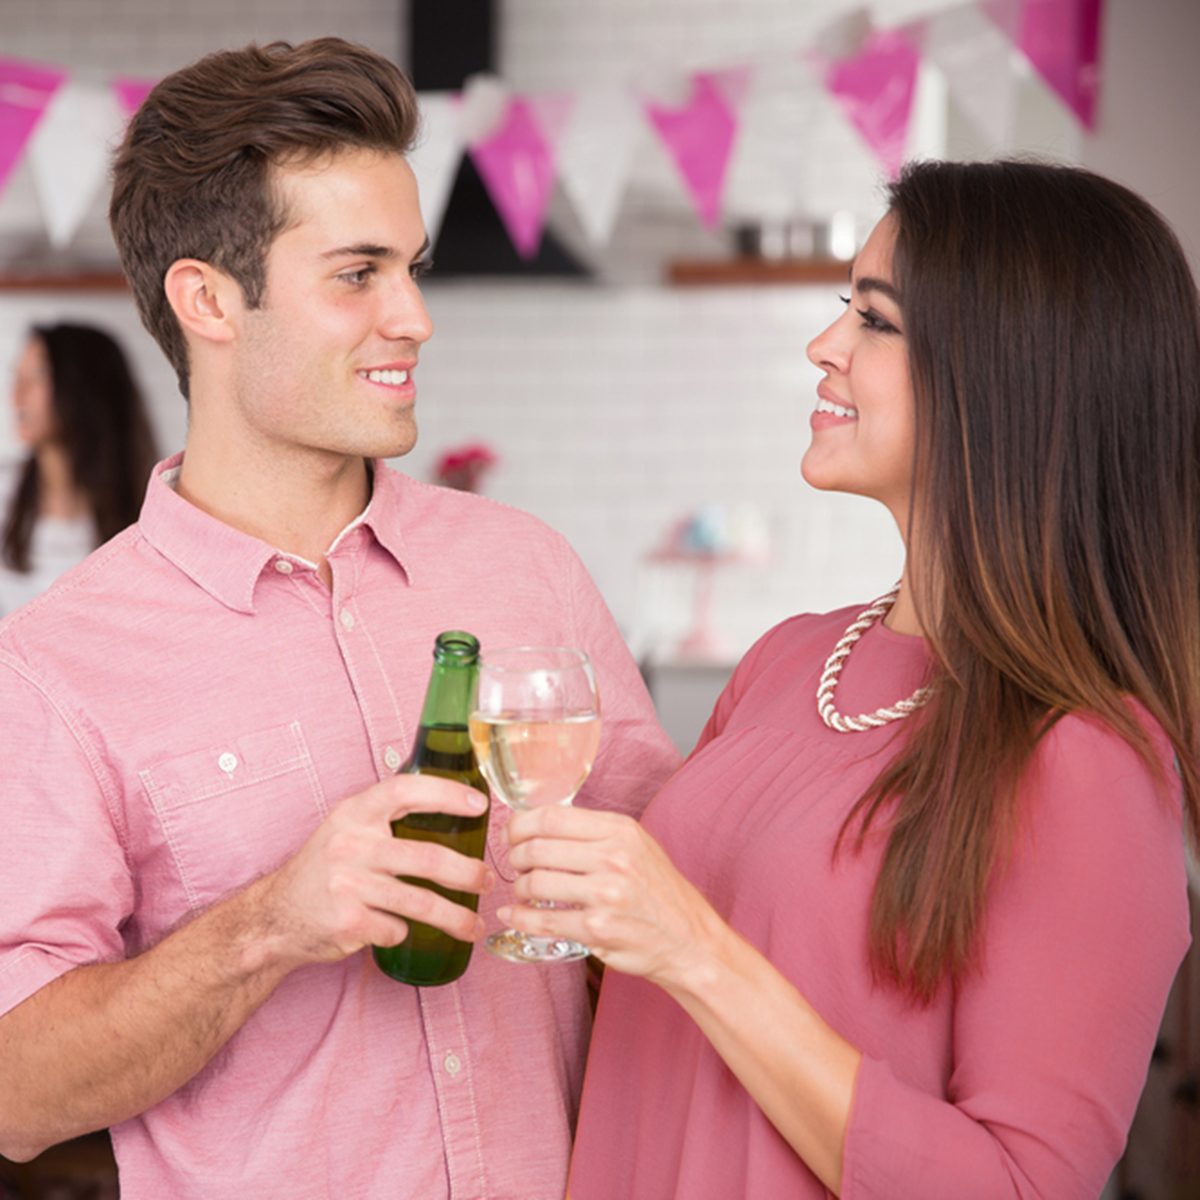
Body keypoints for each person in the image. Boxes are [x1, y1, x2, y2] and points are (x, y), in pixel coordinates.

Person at [0, 38, 678, 1200]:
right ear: (209, 300)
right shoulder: (55, 666)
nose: (415, 317)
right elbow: (16, 1096)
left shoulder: (528, 569)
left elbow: (676, 896)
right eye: (359, 273)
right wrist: (274, 921)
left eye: (410, 267)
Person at [501, 160, 1200, 1199]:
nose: (823, 347)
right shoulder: (789, 659)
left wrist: (692, 947)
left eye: (875, 321)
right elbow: (660, 1015)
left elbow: (1020, 1184)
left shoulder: (1086, 759)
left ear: (1008, 373)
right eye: (846, 310)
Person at [2, 323, 157, 613]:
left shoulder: (153, 509)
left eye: (36, 376)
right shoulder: (5, 495)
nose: (16, 397)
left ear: (84, 387)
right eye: (17, 377)